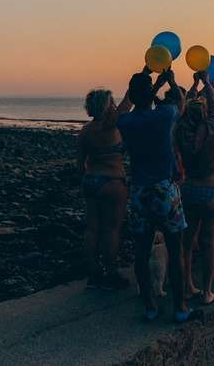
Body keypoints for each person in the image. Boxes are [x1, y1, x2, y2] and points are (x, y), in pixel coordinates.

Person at [117, 67, 199, 323]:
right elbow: (181, 103)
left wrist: (146, 86)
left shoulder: (127, 122)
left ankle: (150, 307)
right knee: (175, 250)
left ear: (131, 94)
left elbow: (123, 109)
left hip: (140, 191)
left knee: (141, 251)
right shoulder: (164, 115)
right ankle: (180, 307)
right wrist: (170, 82)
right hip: (165, 190)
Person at [175, 71, 214, 305]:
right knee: (209, 242)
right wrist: (207, 82)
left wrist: (194, 85)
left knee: (187, 242)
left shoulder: (181, 131)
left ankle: (187, 286)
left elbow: (184, 109)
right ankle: (207, 292)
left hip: (189, 188)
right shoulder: (213, 129)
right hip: (213, 190)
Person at [78, 87, 131, 290]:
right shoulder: (110, 125)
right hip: (112, 181)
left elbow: (79, 164)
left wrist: (83, 182)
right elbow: (128, 103)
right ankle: (110, 273)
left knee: (92, 229)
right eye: (111, 102)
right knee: (111, 230)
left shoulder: (85, 131)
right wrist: (147, 74)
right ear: (105, 106)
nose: (115, 105)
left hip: (91, 181)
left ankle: (94, 274)